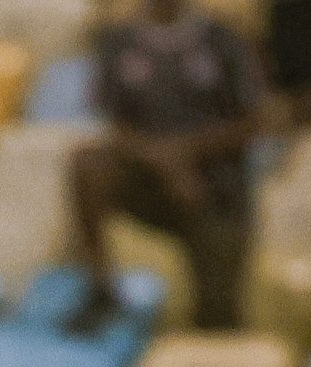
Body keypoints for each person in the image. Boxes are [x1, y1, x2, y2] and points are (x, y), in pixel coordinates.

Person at [66, 0, 264, 333]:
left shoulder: (223, 38)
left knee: (217, 315)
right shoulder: (117, 41)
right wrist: (163, 160)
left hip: (215, 184)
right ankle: (100, 286)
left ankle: (216, 335)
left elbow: (253, 120)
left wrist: (186, 154)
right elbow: (116, 123)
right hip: (147, 175)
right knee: (87, 164)